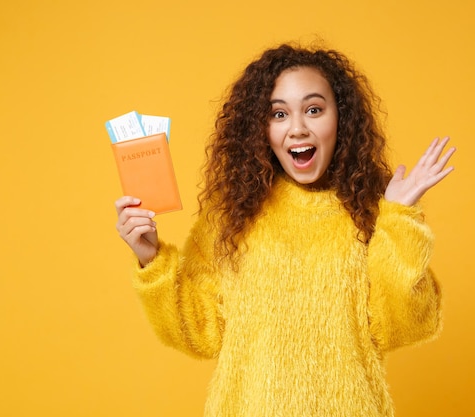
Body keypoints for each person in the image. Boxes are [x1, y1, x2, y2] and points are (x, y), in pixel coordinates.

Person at [115, 43, 455, 417]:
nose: (297, 128)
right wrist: (150, 258)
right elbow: (199, 333)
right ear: (260, 127)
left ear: (340, 117)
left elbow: (405, 325)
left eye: (313, 109)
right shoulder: (232, 217)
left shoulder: (373, 212)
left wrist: (400, 217)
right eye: (279, 114)